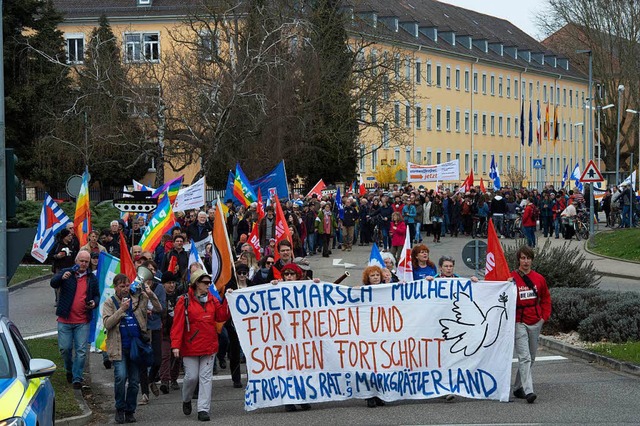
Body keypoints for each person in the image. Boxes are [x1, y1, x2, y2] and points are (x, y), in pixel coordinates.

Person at [171, 270, 230, 422]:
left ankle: (203, 409)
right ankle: (186, 398)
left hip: (209, 345)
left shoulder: (213, 300)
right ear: (197, 283)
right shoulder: (183, 301)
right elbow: (177, 325)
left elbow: (221, 316)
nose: (208, 285)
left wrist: (227, 300)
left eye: (209, 283)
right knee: (191, 377)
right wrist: (175, 346)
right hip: (190, 346)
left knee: (205, 378)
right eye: (205, 283)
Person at [103, 273, 162, 424]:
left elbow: (158, 308)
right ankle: (120, 408)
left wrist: (150, 293)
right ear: (115, 287)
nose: (125, 288)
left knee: (134, 381)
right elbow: (107, 324)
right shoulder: (109, 303)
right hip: (119, 348)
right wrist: (121, 309)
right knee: (121, 377)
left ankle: (130, 410)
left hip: (137, 347)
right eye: (121, 286)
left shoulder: (138, 298)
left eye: (127, 285)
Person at [49, 250, 99, 388]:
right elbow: (53, 283)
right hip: (65, 319)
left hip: (82, 320)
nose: (83, 264)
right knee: (65, 349)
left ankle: (77, 377)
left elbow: (96, 295)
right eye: (81, 261)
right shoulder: (67, 272)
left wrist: (94, 303)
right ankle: (69, 369)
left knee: (81, 351)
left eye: (86, 262)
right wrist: (61, 278)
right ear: (76, 261)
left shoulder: (91, 278)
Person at [511, 246, 551, 404]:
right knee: (524, 357)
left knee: (532, 357)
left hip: (536, 321)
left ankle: (517, 387)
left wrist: (543, 317)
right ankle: (529, 391)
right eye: (522, 258)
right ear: (518, 260)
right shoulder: (511, 277)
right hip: (518, 321)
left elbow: (546, 298)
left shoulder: (539, 278)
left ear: (532, 260)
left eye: (528, 258)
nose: (525, 261)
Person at [360, 265, 386, 408]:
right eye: (372, 276)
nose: (376, 277)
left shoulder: (388, 289)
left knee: (381, 366)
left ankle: (379, 394)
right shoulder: (362, 291)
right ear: (367, 279)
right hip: (367, 334)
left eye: (377, 275)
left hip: (383, 334)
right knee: (369, 366)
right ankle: (369, 395)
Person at [159, 271, 183, 394]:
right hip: (164, 331)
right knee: (165, 356)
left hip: (177, 331)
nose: (171, 285)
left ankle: (174, 378)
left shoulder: (179, 297)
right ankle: (165, 381)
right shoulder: (160, 297)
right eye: (169, 283)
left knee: (177, 357)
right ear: (163, 284)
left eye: (173, 282)